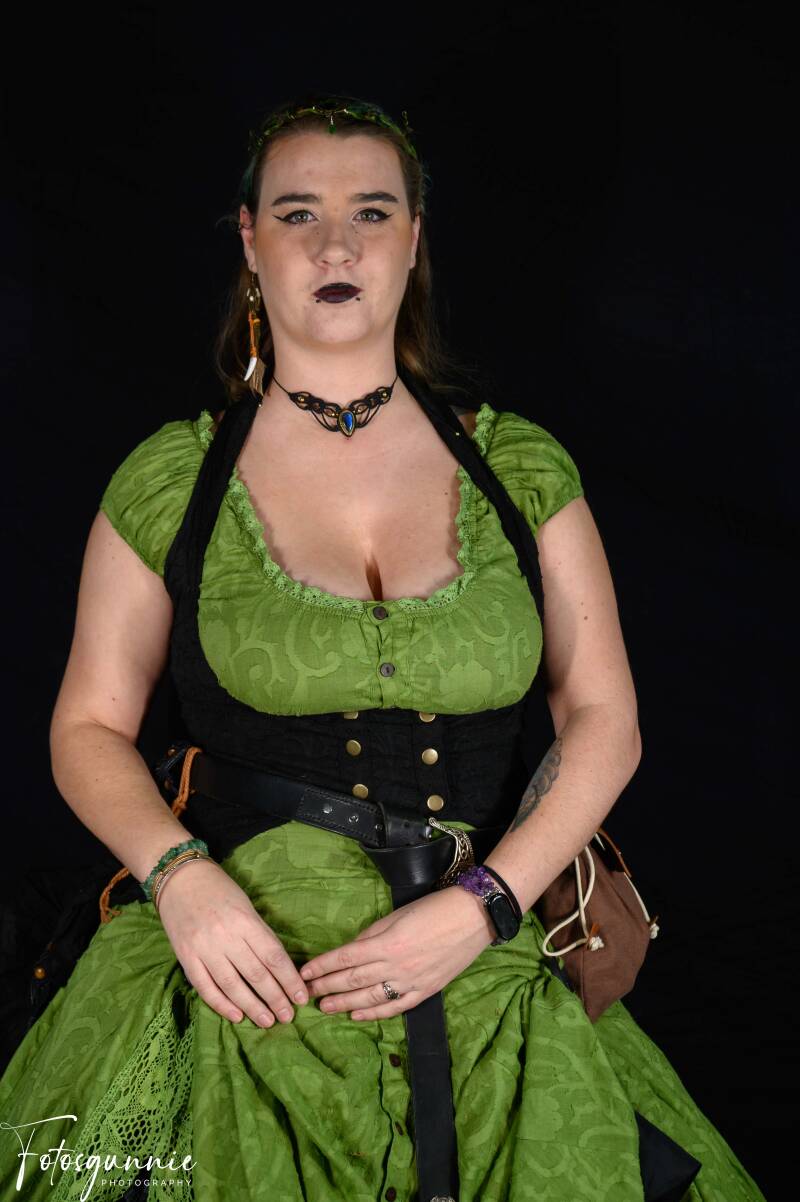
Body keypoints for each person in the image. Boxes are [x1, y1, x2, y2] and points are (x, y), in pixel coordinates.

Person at [0, 93, 767, 1202]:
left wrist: (486, 905)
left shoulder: (519, 468)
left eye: (370, 211)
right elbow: (86, 727)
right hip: (244, 961)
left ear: (413, 239)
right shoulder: (173, 479)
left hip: (482, 948)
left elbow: (604, 717)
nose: (335, 245)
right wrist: (179, 879)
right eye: (297, 213)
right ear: (250, 241)